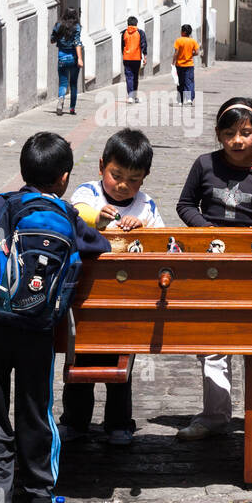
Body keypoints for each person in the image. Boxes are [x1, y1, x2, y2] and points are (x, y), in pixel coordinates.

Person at [0, 132, 111, 503]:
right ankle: (38, 492)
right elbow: (99, 247)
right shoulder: (67, 215)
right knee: (36, 408)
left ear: (23, 171)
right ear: (64, 177)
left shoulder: (3, 206)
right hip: (39, 327)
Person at [174, 97, 252, 439]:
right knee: (213, 339)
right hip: (210, 263)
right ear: (218, 134)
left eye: (245, 133)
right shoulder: (204, 165)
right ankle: (215, 415)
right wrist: (205, 230)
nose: (237, 141)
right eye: (229, 133)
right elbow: (185, 204)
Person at [61, 129, 165, 446]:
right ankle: (75, 421)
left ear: (144, 179)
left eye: (133, 180)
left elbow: (163, 242)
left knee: (121, 367)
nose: (122, 186)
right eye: (116, 175)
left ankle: (119, 423)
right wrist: (97, 219)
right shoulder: (88, 193)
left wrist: (143, 228)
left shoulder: (145, 206)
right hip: (86, 297)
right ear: (102, 166)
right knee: (78, 362)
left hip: (125, 301)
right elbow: (74, 214)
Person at [50, 8, 83, 115]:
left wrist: (58, 37)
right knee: (73, 84)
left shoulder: (58, 25)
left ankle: (61, 99)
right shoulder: (77, 27)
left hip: (62, 58)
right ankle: (72, 108)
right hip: (73, 58)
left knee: (63, 83)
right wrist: (80, 58)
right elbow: (77, 43)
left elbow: (52, 40)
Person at [122, 16, 147, 104]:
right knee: (135, 78)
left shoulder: (124, 33)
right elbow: (143, 45)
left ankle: (130, 97)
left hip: (127, 58)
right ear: (136, 23)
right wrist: (145, 57)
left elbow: (122, 46)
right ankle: (134, 96)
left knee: (129, 77)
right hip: (136, 58)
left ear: (128, 24)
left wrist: (124, 55)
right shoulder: (140, 32)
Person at [173, 24, 200, 106]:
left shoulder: (179, 40)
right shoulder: (193, 41)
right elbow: (197, 52)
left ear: (183, 32)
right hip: (189, 65)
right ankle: (189, 99)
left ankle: (180, 100)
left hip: (179, 65)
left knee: (180, 82)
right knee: (189, 82)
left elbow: (176, 53)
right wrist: (190, 54)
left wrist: (173, 61)